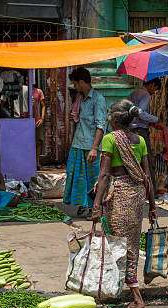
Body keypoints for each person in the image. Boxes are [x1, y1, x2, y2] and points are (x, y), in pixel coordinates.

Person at [92, 99, 157, 308]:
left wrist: (95, 205)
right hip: (137, 197)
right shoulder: (140, 140)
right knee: (131, 245)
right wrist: (153, 206)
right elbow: (147, 176)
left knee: (118, 245)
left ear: (113, 119)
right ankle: (120, 289)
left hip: (119, 196)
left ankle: (136, 297)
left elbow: (104, 175)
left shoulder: (110, 139)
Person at [64, 67, 107, 219]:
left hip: (90, 147)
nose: (74, 87)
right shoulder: (80, 98)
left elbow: (101, 125)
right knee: (77, 178)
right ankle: (84, 205)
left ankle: (95, 209)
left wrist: (95, 148)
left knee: (93, 180)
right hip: (78, 144)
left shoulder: (98, 100)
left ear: (81, 82)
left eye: (75, 83)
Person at [128, 78, 162, 196]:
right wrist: (156, 119)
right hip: (140, 131)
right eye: (155, 90)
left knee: (133, 161)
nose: (154, 93)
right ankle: (151, 192)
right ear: (152, 85)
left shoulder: (134, 93)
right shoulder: (146, 95)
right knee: (146, 161)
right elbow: (141, 113)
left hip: (130, 130)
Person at [32, 84, 46, 168]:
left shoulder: (39, 91)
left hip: (37, 120)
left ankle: (37, 162)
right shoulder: (24, 90)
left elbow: (43, 105)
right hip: (26, 119)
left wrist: (42, 118)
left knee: (38, 142)